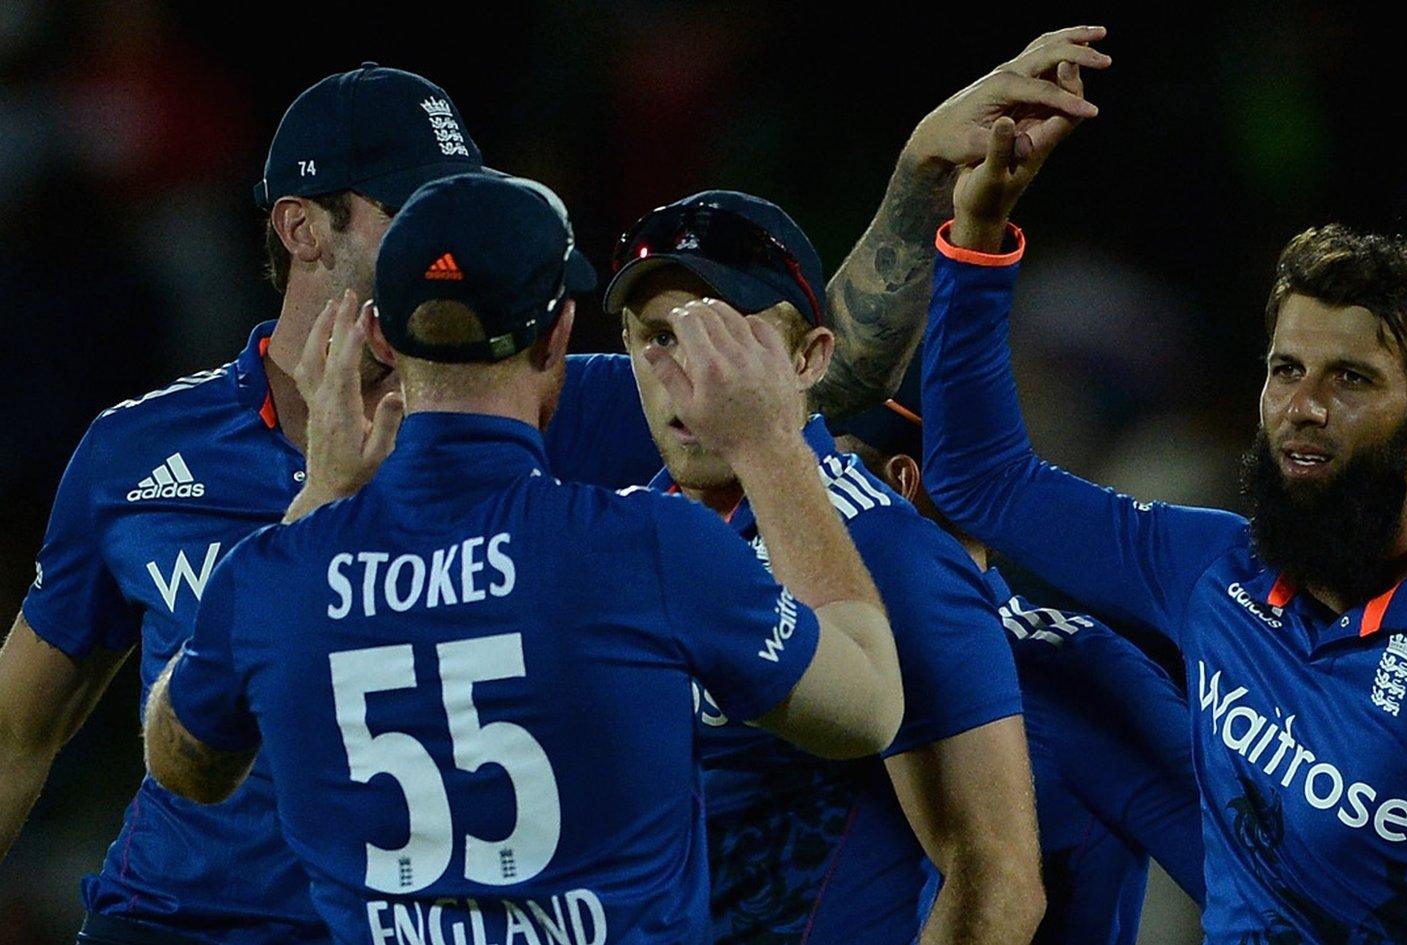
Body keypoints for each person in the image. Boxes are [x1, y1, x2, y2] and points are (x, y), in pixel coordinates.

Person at [1, 27, 1103, 943]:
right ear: (304, 229)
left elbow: (796, 370)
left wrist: (918, 183)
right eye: (413, 207)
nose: (451, 235)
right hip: (173, 920)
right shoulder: (136, 454)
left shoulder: (544, 402)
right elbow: (19, 736)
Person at [917, 76, 1407, 943]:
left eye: (1351, 379)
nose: (1305, 404)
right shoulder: (1213, 565)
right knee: (1031, 646)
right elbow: (983, 480)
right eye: (1286, 369)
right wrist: (980, 233)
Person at [141, 170, 904, 945]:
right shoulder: (647, 547)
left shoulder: (270, 578)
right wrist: (770, 442)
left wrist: (314, 508)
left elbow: (185, 763)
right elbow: (868, 706)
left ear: (378, 335)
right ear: (558, 334)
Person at [606, 188, 1043, 945]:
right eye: (660, 338)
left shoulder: (887, 552)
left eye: (728, 340)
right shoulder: (625, 530)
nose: (692, 374)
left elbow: (997, 881)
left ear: (809, 358)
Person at [828, 356, 1206, 945]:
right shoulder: (824, 660)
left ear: (900, 483)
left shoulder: (1064, 665)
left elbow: (1261, 875)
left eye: (838, 476)